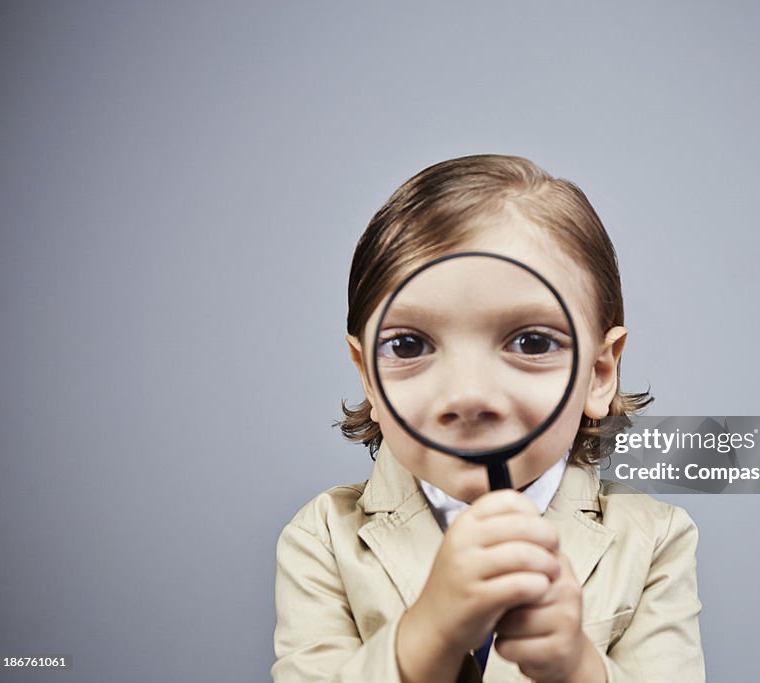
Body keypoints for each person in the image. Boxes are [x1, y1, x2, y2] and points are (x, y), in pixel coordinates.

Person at [272, 154, 705, 682]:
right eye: (408, 345)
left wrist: (576, 666)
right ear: (368, 377)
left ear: (597, 374)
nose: (470, 394)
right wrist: (427, 632)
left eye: (532, 341)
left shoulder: (655, 539)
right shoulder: (323, 537)